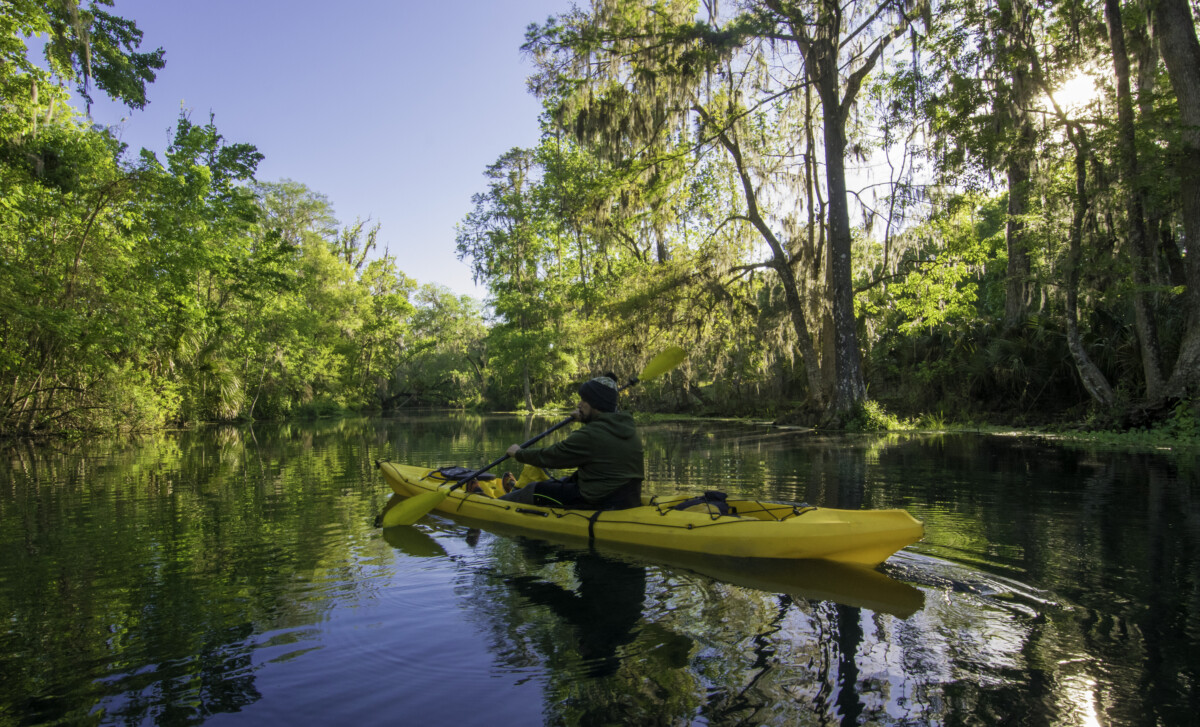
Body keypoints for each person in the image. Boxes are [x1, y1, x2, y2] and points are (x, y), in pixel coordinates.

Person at [499, 374, 644, 510]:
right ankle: (515, 489)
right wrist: (586, 419)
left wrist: (518, 453)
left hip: (598, 499)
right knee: (565, 480)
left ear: (595, 403)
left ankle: (497, 505)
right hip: (625, 498)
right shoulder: (627, 427)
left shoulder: (589, 435)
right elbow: (600, 438)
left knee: (534, 490)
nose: (579, 404)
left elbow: (552, 456)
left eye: (584, 400)